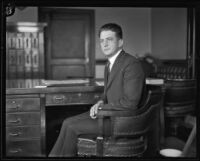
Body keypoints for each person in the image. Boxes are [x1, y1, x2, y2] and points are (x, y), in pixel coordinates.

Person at [48, 23, 145, 157]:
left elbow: (131, 103)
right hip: (110, 115)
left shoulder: (131, 64)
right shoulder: (109, 63)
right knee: (67, 122)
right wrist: (100, 102)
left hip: (122, 122)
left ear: (120, 42)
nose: (104, 44)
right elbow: (108, 93)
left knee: (71, 127)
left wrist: (103, 107)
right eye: (102, 40)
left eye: (109, 39)